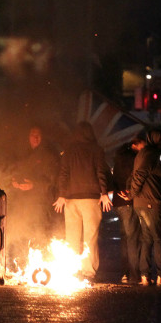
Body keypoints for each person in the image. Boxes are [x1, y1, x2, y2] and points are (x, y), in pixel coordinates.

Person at [53, 121, 112, 282]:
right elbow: (101, 172)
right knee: (90, 237)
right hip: (91, 200)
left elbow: (63, 174)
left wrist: (61, 195)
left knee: (71, 237)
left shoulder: (69, 151)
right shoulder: (97, 150)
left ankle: (70, 269)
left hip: (71, 200)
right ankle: (88, 271)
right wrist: (104, 193)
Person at [119, 128, 161, 286]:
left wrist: (132, 194)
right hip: (150, 203)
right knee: (158, 239)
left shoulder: (146, 154)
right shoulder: (149, 154)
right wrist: (132, 194)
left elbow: (136, 176)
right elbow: (139, 176)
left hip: (143, 203)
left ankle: (145, 275)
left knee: (147, 239)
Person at [8, 125, 60, 262]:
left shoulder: (49, 156)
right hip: (25, 203)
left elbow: (52, 182)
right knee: (25, 234)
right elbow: (15, 172)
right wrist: (14, 182)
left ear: (42, 138)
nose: (35, 138)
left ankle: (43, 265)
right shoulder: (24, 154)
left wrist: (34, 185)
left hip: (42, 204)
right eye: (32, 134)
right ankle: (25, 265)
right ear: (28, 137)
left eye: (38, 135)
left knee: (41, 234)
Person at [111, 134, 145, 284]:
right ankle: (134, 274)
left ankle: (125, 272)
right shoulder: (134, 158)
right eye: (144, 144)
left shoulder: (119, 155)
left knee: (125, 238)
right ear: (137, 144)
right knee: (132, 238)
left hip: (119, 201)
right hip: (129, 200)